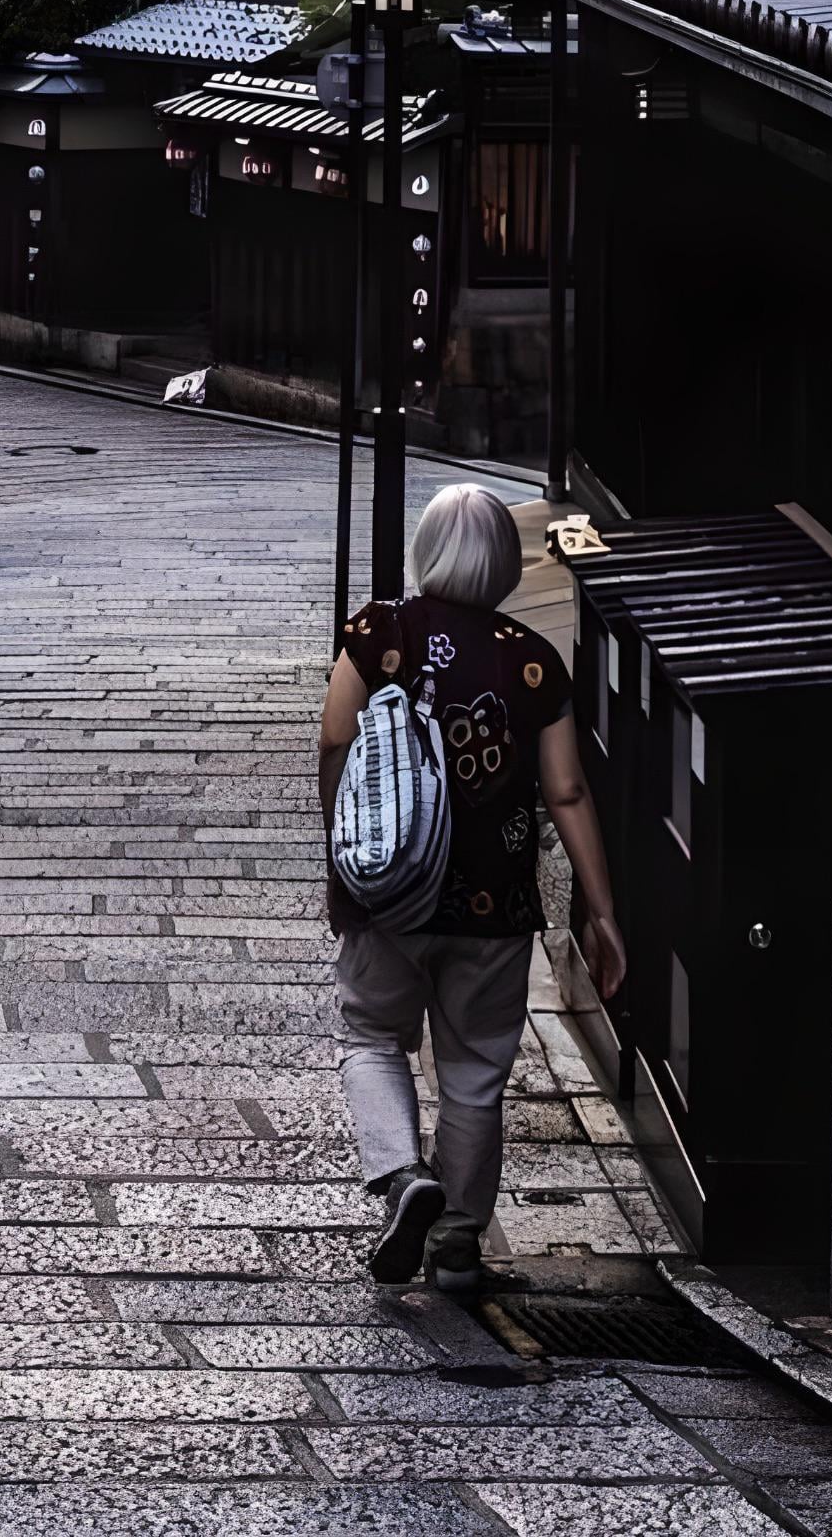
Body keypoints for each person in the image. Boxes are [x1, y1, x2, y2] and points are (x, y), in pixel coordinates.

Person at [317, 475, 626, 1294]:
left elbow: (335, 741)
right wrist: (601, 912)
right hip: (495, 904)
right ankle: (457, 1242)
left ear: (427, 551)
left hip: (391, 889)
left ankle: (400, 1175)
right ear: (503, 564)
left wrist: (344, 862)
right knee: (476, 1071)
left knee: (371, 1035)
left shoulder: (380, 633)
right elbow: (566, 793)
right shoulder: (534, 661)